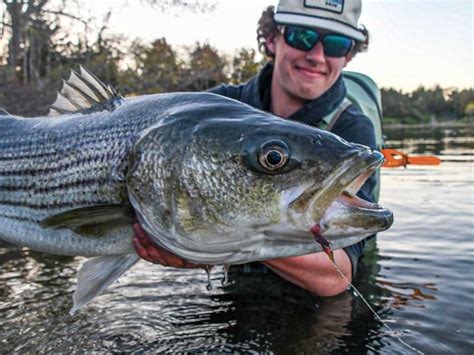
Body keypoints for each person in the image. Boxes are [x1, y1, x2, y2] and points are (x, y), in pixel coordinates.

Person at [132, 0, 377, 297]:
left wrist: (216, 238)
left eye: (337, 44)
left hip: (312, 305)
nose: (316, 55)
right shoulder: (208, 115)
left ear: (349, 56)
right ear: (273, 38)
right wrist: (195, 240)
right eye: (302, 36)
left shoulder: (353, 130)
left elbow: (336, 277)